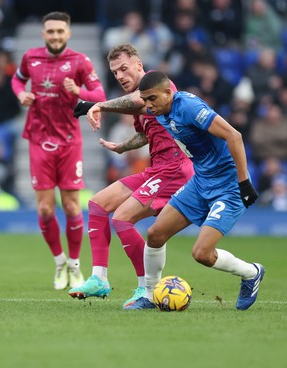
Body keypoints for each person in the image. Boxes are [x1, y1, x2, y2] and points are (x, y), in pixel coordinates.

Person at [87, 70, 264, 311]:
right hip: (201, 182)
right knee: (155, 233)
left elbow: (234, 136)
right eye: (145, 100)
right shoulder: (158, 108)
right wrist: (97, 108)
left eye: (152, 99)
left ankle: (251, 273)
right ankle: (149, 295)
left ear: (169, 93)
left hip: (229, 186)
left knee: (201, 253)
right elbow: (134, 109)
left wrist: (244, 183)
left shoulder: (189, 107)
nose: (148, 106)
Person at [69, 44, 194, 307]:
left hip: (174, 169)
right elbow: (145, 133)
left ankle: (145, 290)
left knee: (122, 218)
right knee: (98, 204)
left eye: (124, 68)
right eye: (115, 73)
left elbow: (139, 103)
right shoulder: (137, 102)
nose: (120, 75)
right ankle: (99, 278)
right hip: (156, 168)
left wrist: (97, 105)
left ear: (139, 65)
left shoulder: (158, 86)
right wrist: (122, 146)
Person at [11, 11, 106, 290]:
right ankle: (59, 262)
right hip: (39, 140)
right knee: (44, 209)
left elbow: (99, 95)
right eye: (50, 31)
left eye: (60, 31)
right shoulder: (30, 57)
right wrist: (21, 94)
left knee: (72, 206)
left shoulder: (80, 62)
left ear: (68, 33)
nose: (55, 36)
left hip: (68, 141)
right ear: (43, 34)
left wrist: (78, 90)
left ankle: (75, 265)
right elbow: (17, 80)